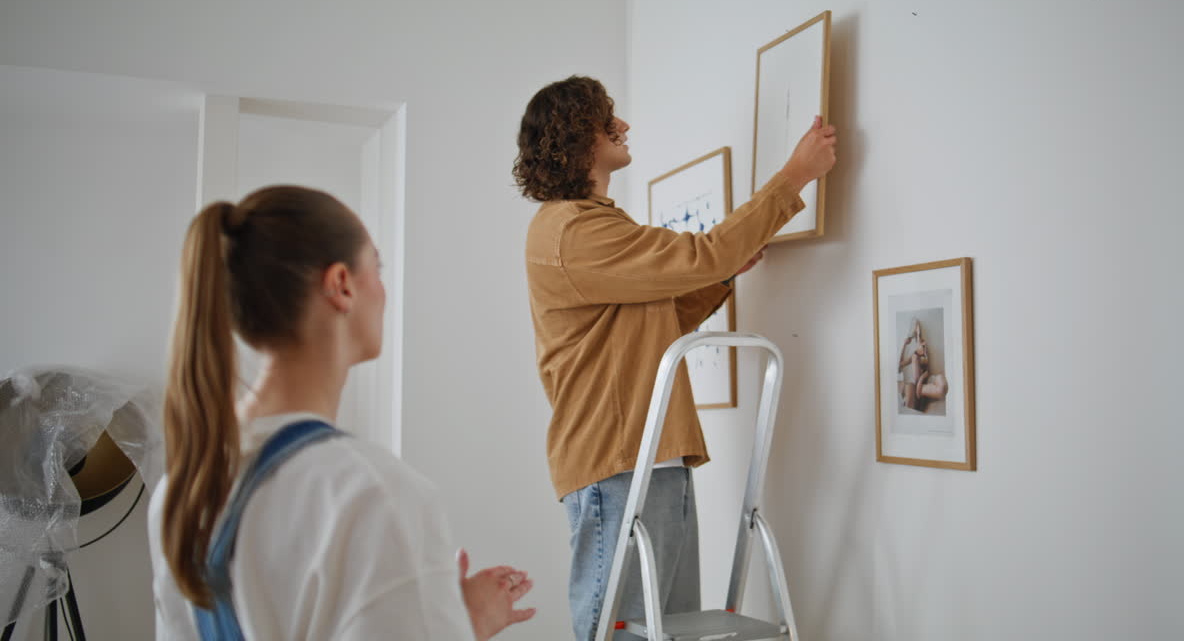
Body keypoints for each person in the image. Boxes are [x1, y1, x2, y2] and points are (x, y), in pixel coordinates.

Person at [514, 76, 836, 640]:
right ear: (575, 133)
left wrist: (724, 272)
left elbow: (658, 318)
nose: (624, 125)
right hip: (615, 462)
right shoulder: (571, 232)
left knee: (667, 632)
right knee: (619, 634)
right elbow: (701, 255)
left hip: (651, 457)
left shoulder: (595, 227)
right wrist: (794, 178)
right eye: (607, 116)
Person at [147, 186, 535, 640]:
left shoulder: (184, 490)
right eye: (378, 267)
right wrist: (470, 625)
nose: (385, 290)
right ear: (341, 285)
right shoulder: (374, 495)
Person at [897, 319, 948, 412]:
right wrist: (904, 345)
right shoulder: (913, 355)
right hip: (919, 388)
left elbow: (927, 371)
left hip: (923, 383)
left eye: (924, 345)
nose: (924, 346)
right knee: (941, 390)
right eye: (922, 345)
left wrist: (922, 378)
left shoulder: (923, 351)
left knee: (942, 382)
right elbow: (899, 367)